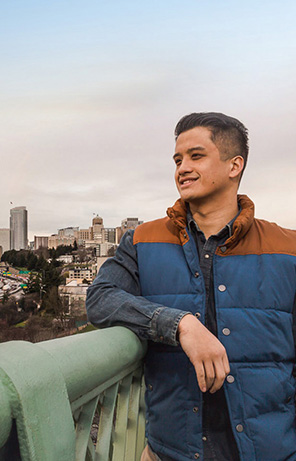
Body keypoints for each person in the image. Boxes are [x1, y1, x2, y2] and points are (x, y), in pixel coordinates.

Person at [87, 112, 296, 460]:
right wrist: (179, 324)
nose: (182, 167)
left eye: (196, 156)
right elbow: (101, 299)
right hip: (174, 451)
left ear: (234, 165)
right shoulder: (141, 240)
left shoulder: (287, 249)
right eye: (178, 159)